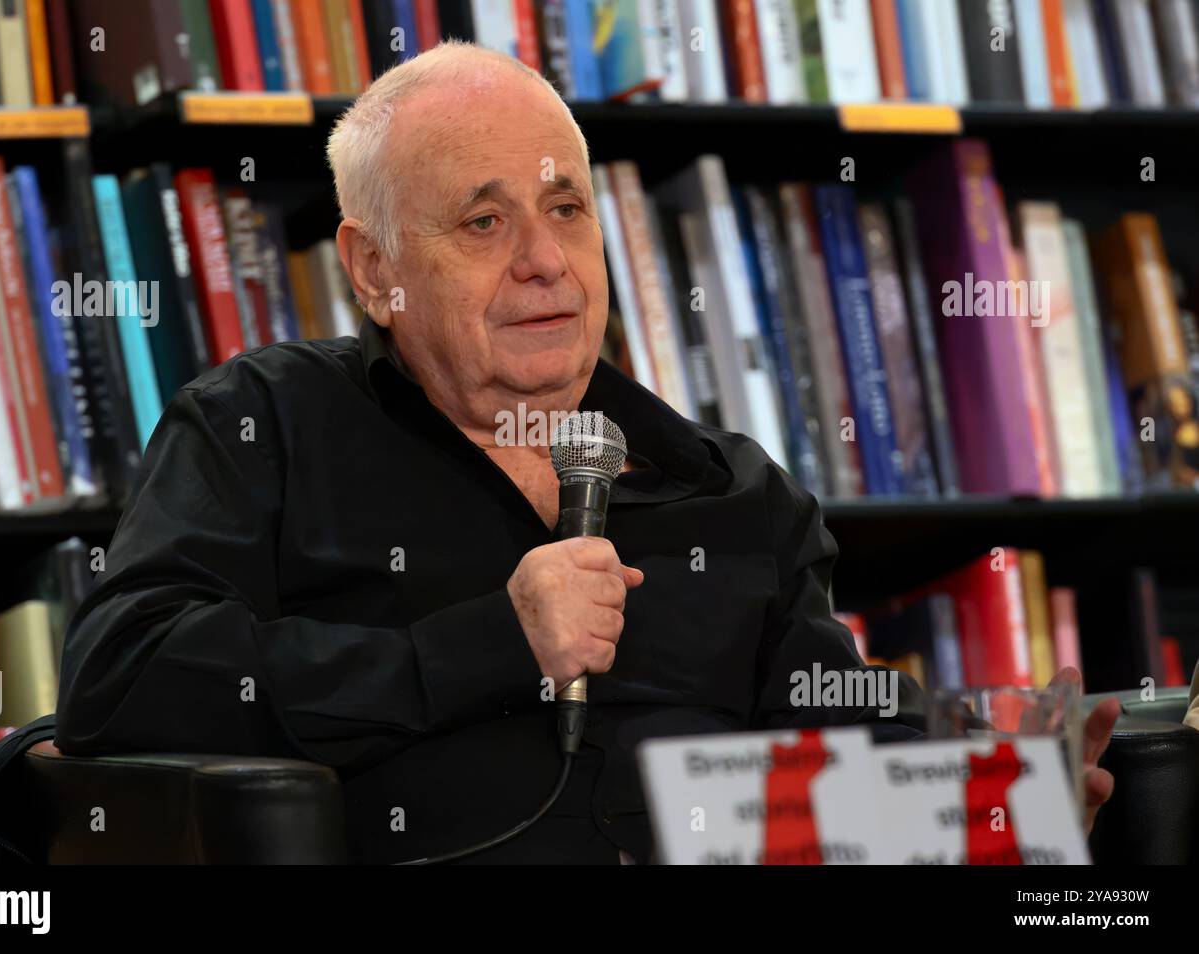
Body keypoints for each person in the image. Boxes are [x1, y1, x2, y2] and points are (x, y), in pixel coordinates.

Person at [55, 41, 1117, 863]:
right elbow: (122, 681)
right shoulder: (265, 427)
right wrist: (485, 648)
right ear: (374, 269)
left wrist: (992, 799)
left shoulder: (733, 491)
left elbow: (825, 788)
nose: (544, 262)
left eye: (566, 208)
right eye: (483, 223)